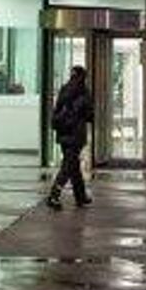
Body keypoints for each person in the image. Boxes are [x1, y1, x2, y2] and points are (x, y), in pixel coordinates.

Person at [46, 65, 93, 210]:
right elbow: (89, 114)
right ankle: (54, 195)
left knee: (73, 165)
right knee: (68, 166)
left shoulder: (64, 89)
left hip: (63, 134)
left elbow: (57, 110)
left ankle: (81, 196)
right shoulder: (83, 91)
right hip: (76, 135)